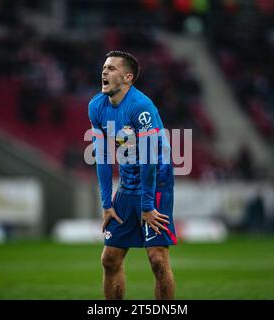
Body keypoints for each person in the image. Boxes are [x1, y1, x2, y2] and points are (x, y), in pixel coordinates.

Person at [88, 50, 177, 300]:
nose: (104, 71)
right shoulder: (96, 106)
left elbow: (150, 159)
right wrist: (107, 204)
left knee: (157, 258)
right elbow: (103, 157)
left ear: (128, 78)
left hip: (156, 181)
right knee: (110, 258)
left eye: (112, 68)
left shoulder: (141, 107)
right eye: (104, 67)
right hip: (128, 183)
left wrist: (147, 206)